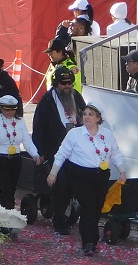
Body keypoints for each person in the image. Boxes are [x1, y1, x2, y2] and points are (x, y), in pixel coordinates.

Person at [46, 102, 127, 257]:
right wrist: (53, 173)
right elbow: (61, 153)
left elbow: (115, 153)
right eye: (84, 114)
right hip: (79, 175)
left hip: (101, 176)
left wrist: (122, 170)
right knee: (88, 207)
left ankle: (91, 241)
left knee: (96, 209)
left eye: (91, 114)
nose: (86, 117)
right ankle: (89, 242)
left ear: (98, 118)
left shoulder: (107, 134)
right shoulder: (75, 134)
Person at [32, 65, 86, 234]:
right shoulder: (47, 100)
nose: (67, 86)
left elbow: (86, 119)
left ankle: (73, 214)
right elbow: (38, 127)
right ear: (56, 84)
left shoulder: (76, 97)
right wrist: (39, 152)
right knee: (60, 186)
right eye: (63, 83)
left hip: (77, 153)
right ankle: (59, 221)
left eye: (70, 82)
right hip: (55, 152)